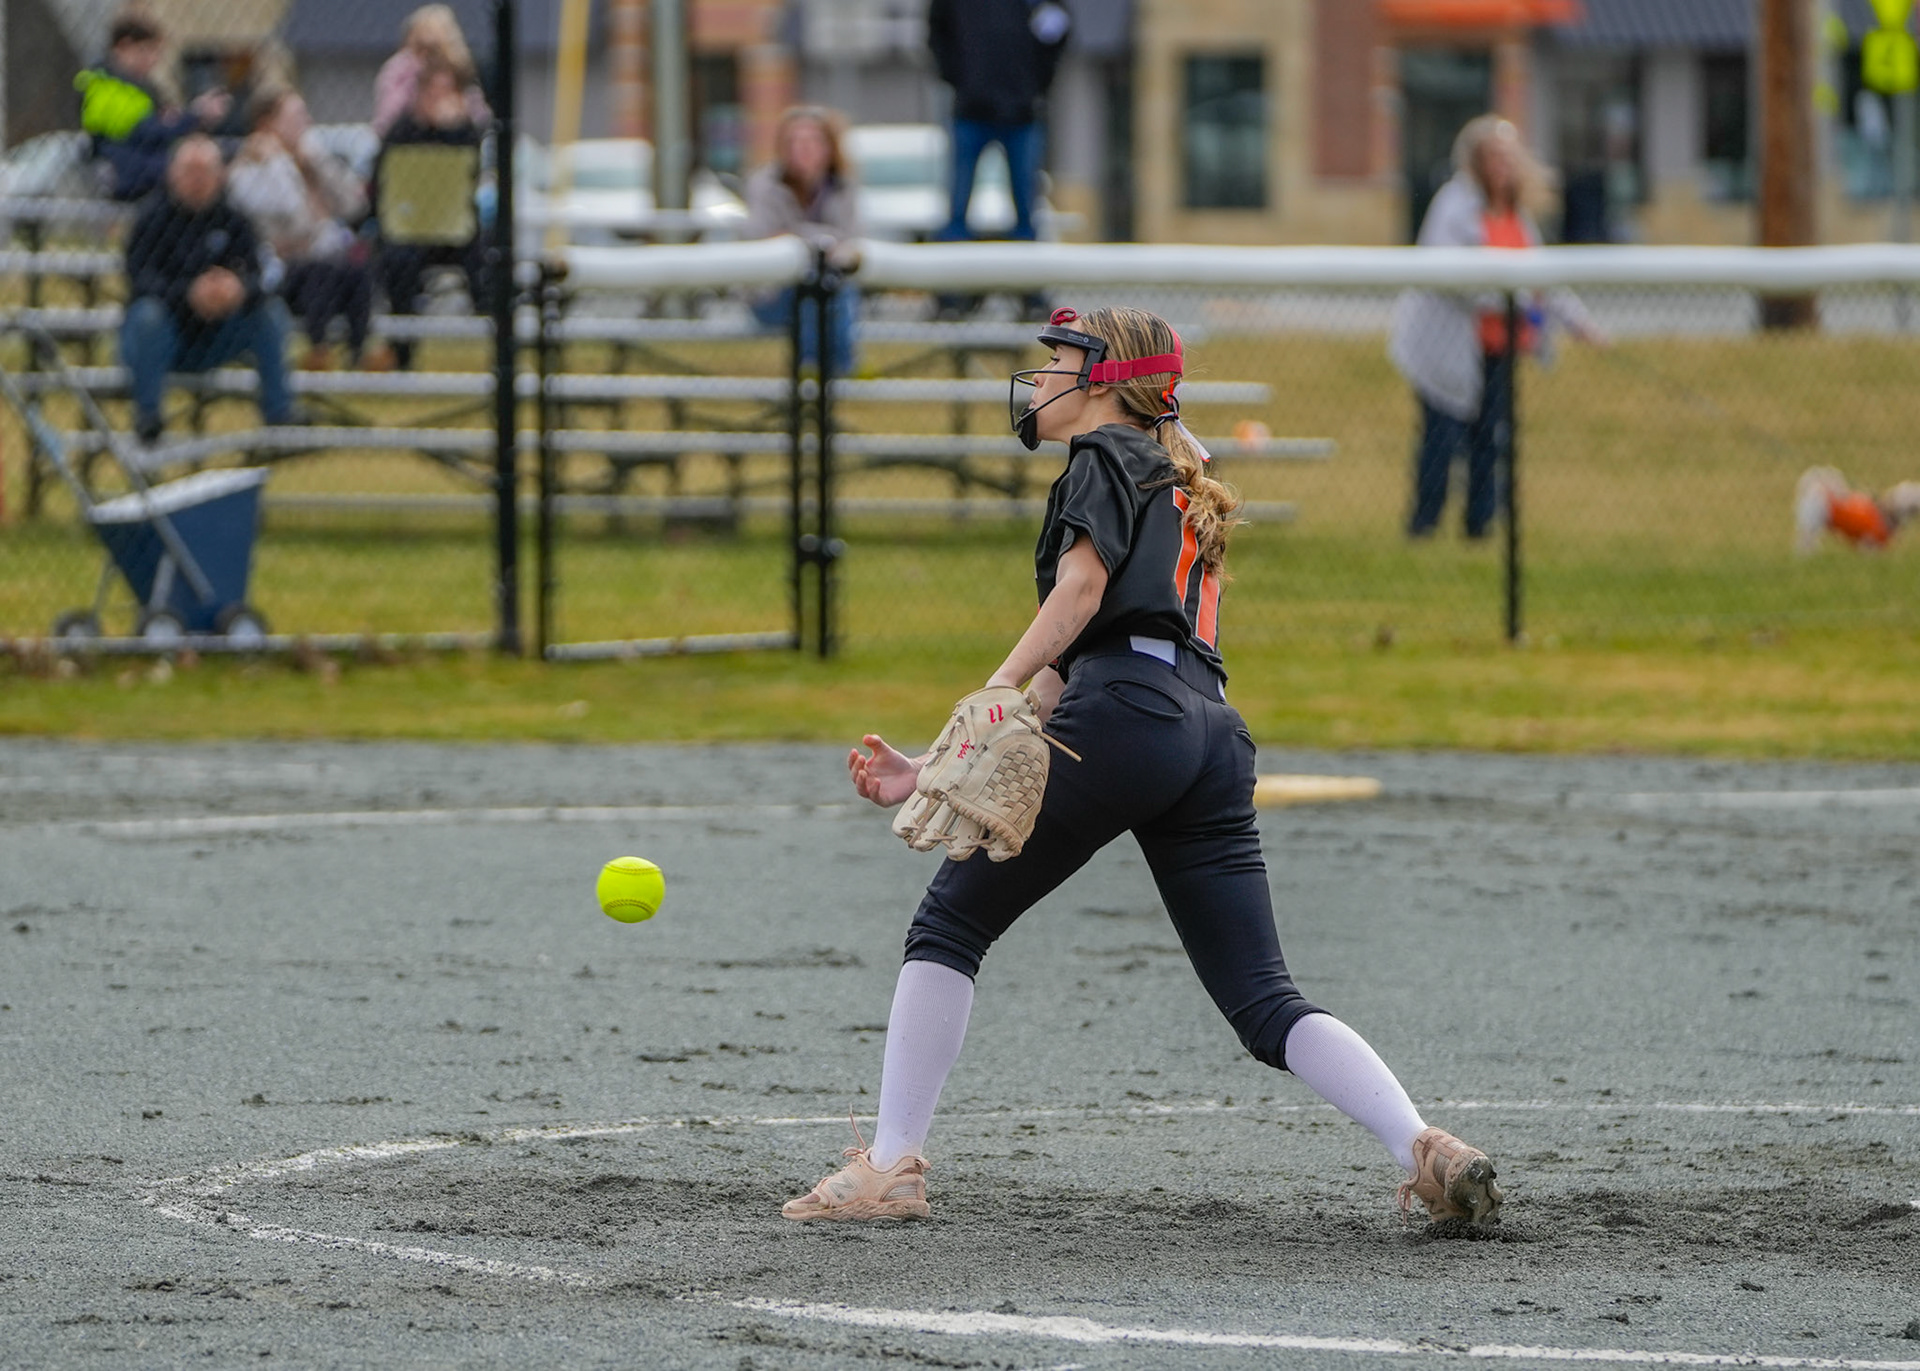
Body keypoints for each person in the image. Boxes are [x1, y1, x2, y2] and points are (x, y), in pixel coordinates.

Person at [782, 305, 1505, 1229]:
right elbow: (1079, 663)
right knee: (1263, 998)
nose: (1044, 377)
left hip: (1128, 715)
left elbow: (1083, 597)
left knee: (949, 924)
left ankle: (890, 1165)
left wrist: (993, 687)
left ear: (1108, 381)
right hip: (1209, 736)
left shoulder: (1104, 452)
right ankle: (1425, 1147)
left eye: (1060, 360)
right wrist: (931, 764)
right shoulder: (1167, 471)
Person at [1389, 115, 1602, 540]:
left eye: (1509, 157)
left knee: (1491, 438)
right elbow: (1453, 278)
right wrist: (1516, 302)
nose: (1503, 166)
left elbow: (1540, 277)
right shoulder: (1453, 206)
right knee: (1441, 438)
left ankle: (1480, 526)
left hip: (1499, 348)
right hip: (1447, 350)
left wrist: (1580, 322)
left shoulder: (1515, 215)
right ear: (1476, 162)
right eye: (1493, 157)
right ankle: (1424, 526)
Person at [120, 135, 299, 446]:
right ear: (172, 174)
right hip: (168, 334)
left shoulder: (234, 220)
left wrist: (237, 290)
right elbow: (139, 280)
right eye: (190, 171)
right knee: (147, 316)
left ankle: (279, 416)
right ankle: (148, 419)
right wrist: (189, 294)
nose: (198, 180)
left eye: (205, 171)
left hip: (219, 334)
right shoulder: (151, 219)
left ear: (220, 175)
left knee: (270, 314)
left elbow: (261, 276)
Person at [228, 86, 390, 371]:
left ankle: (359, 351)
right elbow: (294, 215)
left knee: (356, 269)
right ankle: (318, 350)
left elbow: (355, 205)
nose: (306, 124)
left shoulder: (310, 159)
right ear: (266, 124)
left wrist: (317, 164)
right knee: (320, 270)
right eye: (295, 118)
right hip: (278, 268)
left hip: (321, 259)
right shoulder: (248, 168)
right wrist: (277, 162)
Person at [374, 60, 488, 370]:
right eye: (433, 93)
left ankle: (496, 343)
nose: (439, 100)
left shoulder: (464, 131)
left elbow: (471, 173)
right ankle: (403, 354)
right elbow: (382, 181)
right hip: (409, 230)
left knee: (484, 257)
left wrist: (453, 127)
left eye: (446, 92)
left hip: (455, 230)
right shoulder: (402, 131)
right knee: (398, 262)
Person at [928, 0, 1070, 243]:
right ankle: (953, 257)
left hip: (1021, 111)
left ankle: (1026, 260)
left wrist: (1036, 86)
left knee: (1027, 209)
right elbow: (937, 33)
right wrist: (958, 80)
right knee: (957, 209)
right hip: (971, 108)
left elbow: (1059, 33)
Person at [744, 107, 860, 378]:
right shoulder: (765, 185)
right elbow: (761, 238)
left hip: (830, 289)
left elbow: (853, 242)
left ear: (829, 147)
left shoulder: (843, 187)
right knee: (810, 288)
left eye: (812, 141)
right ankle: (820, 375)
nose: (803, 149)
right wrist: (820, 242)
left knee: (829, 286)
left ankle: (832, 375)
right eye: (794, 141)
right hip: (771, 296)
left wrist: (797, 237)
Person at [74, 8, 231, 202]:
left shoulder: (140, 87)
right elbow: (144, 132)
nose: (153, 60)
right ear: (124, 46)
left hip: (145, 163)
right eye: (147, 51)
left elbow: (157, 126)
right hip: (126, 168)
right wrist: (193, 115)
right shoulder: (101, 85)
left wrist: (176, 120)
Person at [372, 4, 490, 138]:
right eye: (422, 46)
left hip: (456, 131)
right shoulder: (401, 68)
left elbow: (477, 111)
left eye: (434, 48)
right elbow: (388, 112)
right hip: (408, 130)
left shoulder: (459, 68)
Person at [1795, 466, 1920, 554]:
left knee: (1808, 542)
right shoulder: (1875, 527)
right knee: (1807, 541)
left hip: (1825, 501)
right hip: (1822, 503)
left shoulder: (1880, 525)